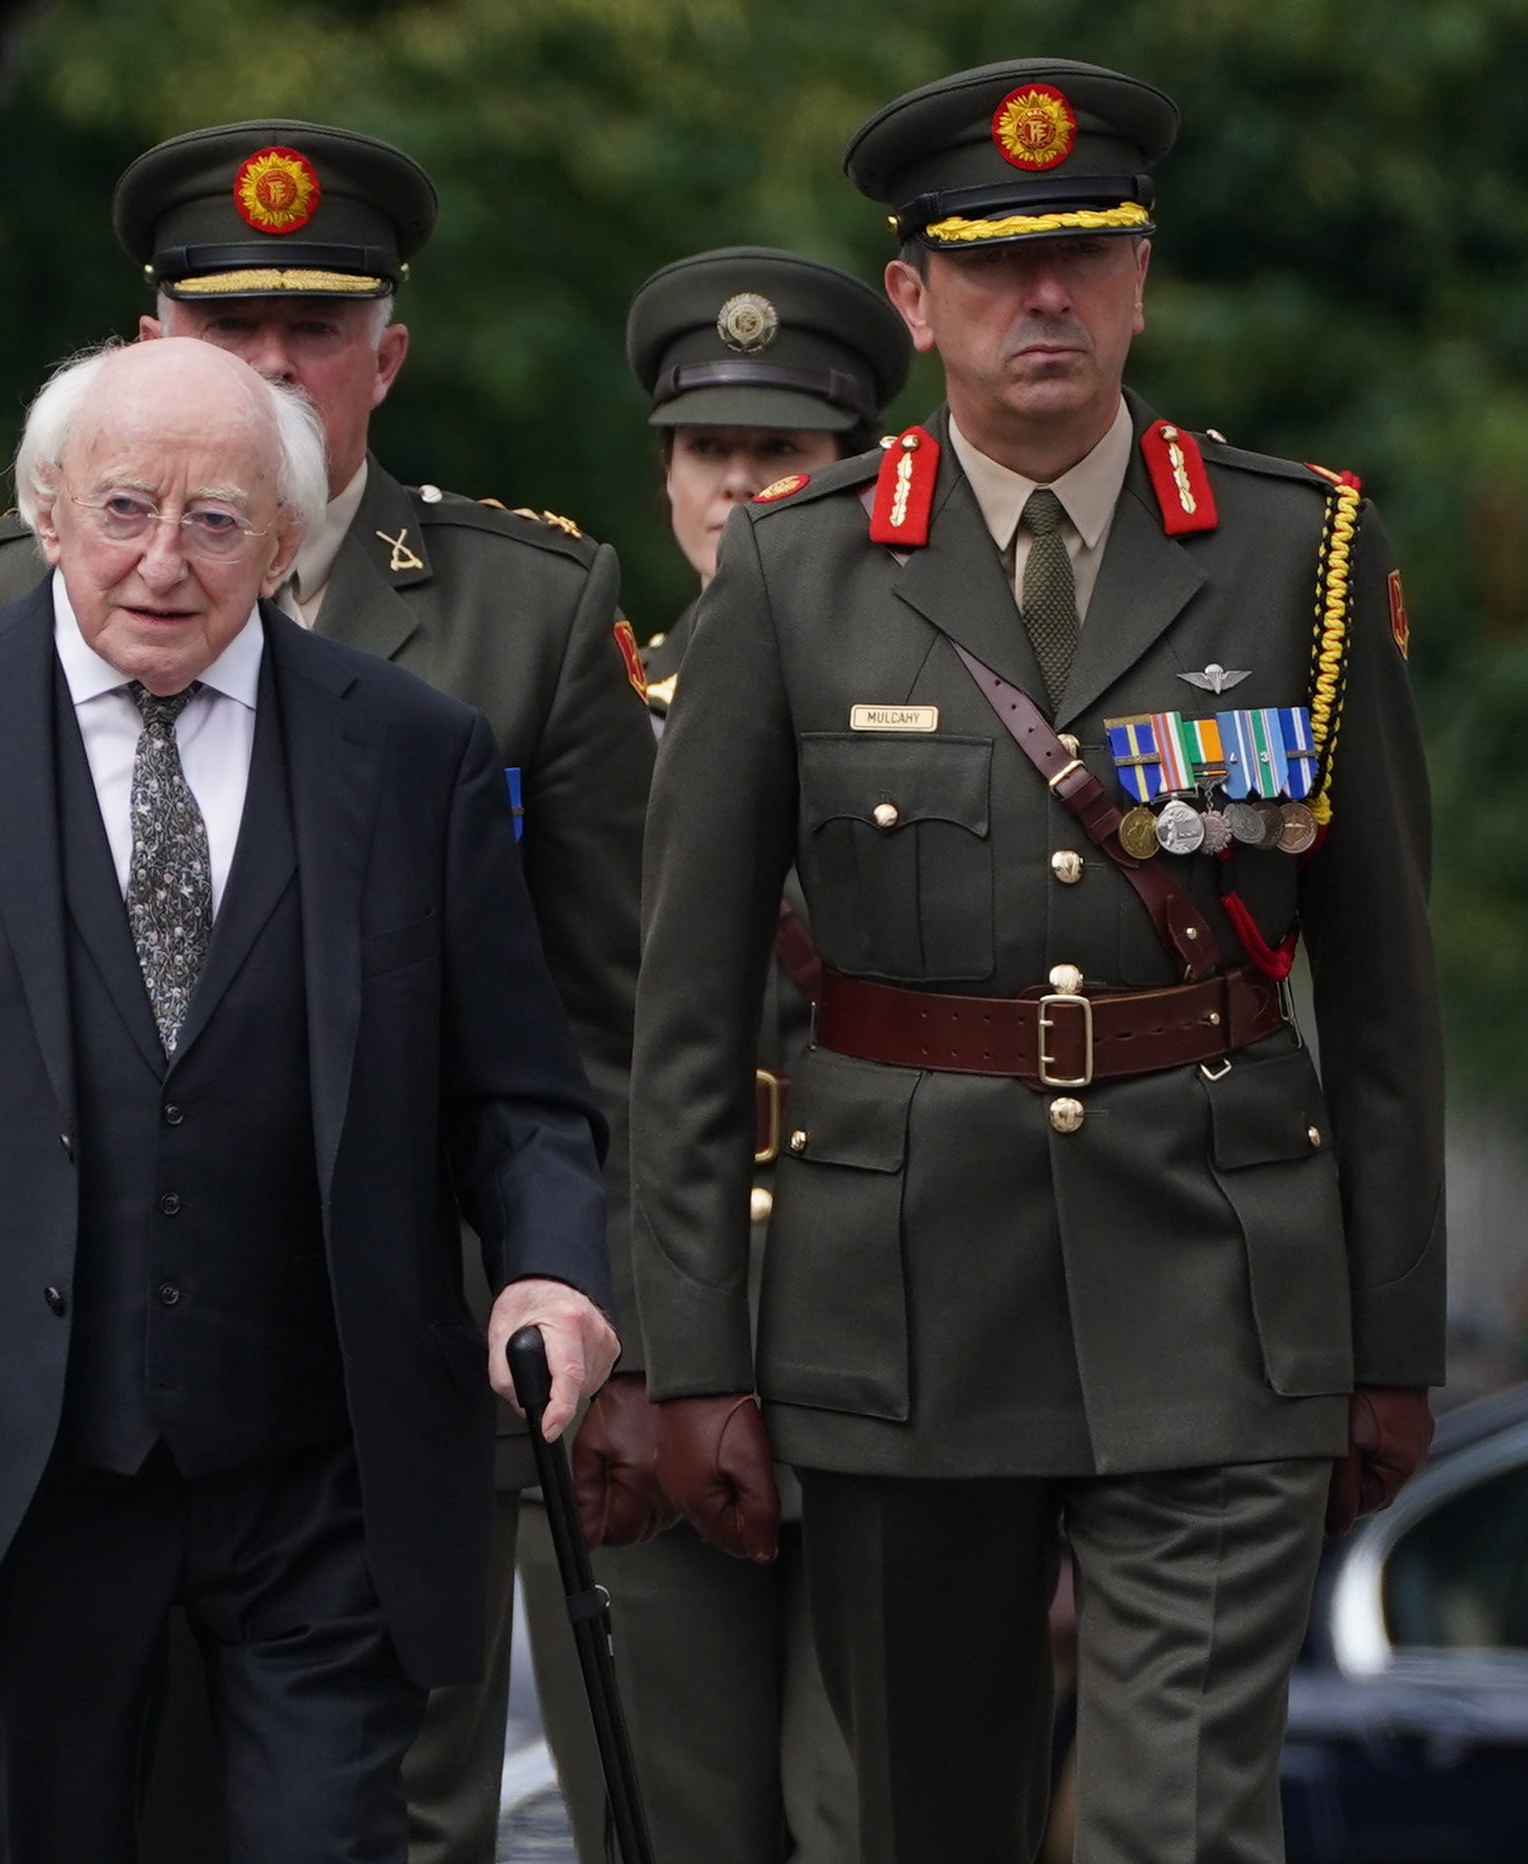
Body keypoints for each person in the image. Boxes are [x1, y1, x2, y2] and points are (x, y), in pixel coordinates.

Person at [634, 58, 1442, 1864]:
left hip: (1221, 1291)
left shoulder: (1299, 554)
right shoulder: (792, 570)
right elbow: (684, 1022)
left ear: (1145, 280)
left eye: (1088, 256)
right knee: (922, 1825)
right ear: (916, 301)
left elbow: (1385, 1001)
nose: (1048, 299)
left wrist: (1390, 1339)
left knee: (1181, 1828)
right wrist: (693, 1360)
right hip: (895, 1308)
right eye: (997, 266)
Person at [0, 336, 618, 1864]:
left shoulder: (414, 754)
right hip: (27, 1449)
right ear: (46, 514)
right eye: (126, 508)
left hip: (326, 1454)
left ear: (284, 542)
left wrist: (550, 1265)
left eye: (216, 521)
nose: (164, 560)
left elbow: (518, 1098)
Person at [0, 122, 654, 1863]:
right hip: (58, 1417)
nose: (266, 369)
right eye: (220, 327)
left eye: (312, 332)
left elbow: (579, 1041)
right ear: (138, 350)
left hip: (365, 1400)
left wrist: (586, 1299)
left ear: (382, 359)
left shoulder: (512, 629)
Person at [552, 245, 910, 1864]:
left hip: (893, 1325)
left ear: (861, 469)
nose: (747, 484)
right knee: (671, 1821)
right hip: (649, 1329)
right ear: (666, 474)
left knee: (882, 1816)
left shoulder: (949, 706)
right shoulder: (594, 716)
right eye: (715, 452)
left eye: (788, 452)